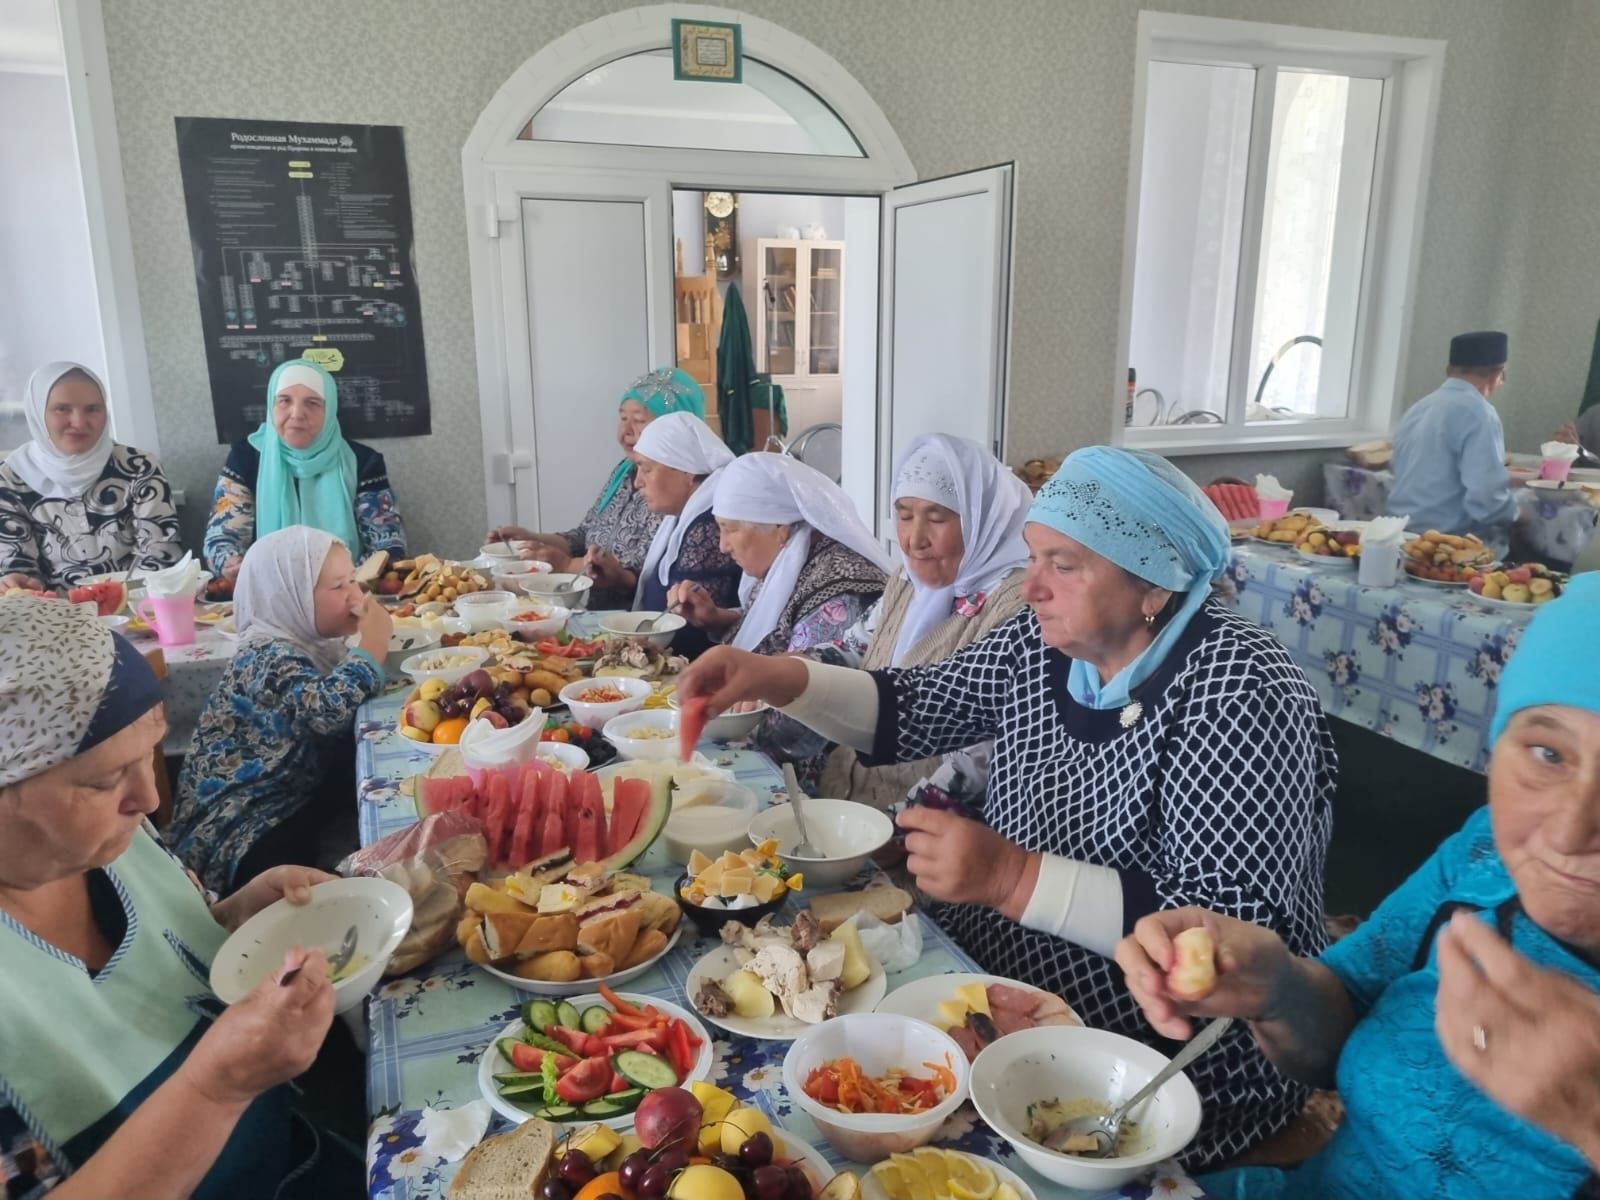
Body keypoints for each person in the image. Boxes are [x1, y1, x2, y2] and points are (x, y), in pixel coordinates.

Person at [676, 446, 1337, 1165]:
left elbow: (1231, 932)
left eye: (1065, 564)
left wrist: (1013, 879)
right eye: (1033, 558)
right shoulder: (1045, 642)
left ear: (1155, 584)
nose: (1032, 589)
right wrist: (775, 676)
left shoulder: (1241, 686)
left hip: (1158, 1046)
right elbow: (921, 706)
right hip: (999, 978)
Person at [1118, 575, 1600, 1199]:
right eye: (1548, 754)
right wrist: (1279, 988)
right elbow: (1343, 1020)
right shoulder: (1487, 858)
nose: (1567, 831)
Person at [0, 596, 358, 1198]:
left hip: (290, 1161)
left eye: (151, 754)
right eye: (103, 779)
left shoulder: (113, 842)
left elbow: (137, 986)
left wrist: (233, 917)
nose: (147, 798)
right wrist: (215, 1090)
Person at [811, 433, 1032, 811]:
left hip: (924, 835)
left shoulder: (1015, 605)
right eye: (905, 514)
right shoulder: (906, 580)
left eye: (937, 517)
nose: (914, 540)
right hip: (848, 797)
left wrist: (899, 825)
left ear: (981, 520)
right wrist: (791, 668)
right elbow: (855, 648)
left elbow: (983, 756)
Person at [170, 526, 390, 894]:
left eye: (354, 580)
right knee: (294, 879)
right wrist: (373, 644)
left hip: (290, 794)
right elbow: (327, 711)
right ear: (288, 596)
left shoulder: (313, 646)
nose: (356, 595)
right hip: (240, 821)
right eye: (338, 587)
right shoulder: (267, 654)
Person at [677, 452, 889, 784]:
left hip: (808, 777)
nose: (722, 546)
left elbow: (801, 720)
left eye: (729, 529)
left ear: (778, 527)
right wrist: (718, 621)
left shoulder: (839, 588)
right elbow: (776, 637)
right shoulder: (791, 559)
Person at [485, 367, 703, 609]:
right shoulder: (624, 471)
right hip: (597, 615)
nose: (626, 430)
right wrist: (532, 540)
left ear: (673, 427)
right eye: (623, 418)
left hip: (635, 620)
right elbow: (584, 534)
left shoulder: (673, 488)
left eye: (639, 420)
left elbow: (641, 572)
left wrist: (567, 565)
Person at [203, 359, 406, 582]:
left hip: (347, 590)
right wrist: (230, 562)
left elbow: (387, 543)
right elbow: (222, 536)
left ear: (329, 410)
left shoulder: (363, 462)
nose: (297, 413)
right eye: (284, 401)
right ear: (271, 405)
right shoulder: (246, 458)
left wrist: (343, 581)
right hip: (269, 590)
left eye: (312, 403)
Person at [0, 362, 181, 590]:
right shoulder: (10, 477)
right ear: (37, 412)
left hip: (137, 608)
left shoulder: (139, 466)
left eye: (92, 409)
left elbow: (161, 554)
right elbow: (15, 563)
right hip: (50, 614)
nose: (78, 422)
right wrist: (20, 583)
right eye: (62, 409)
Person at [1387, 331, 1517, 555]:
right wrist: (1519, 513)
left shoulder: (1419, 407)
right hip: (1447, 544)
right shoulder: (1480, 413)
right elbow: (1486, 500)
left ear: (1448, 371)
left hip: (1400, 535)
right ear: (1497, 373)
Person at [629, 411, 740, 659]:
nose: (638, 482)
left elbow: (690, 630)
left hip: (687, 667)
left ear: (687, 472)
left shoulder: (708, 525)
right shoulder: (681, 517)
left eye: (646, 469)